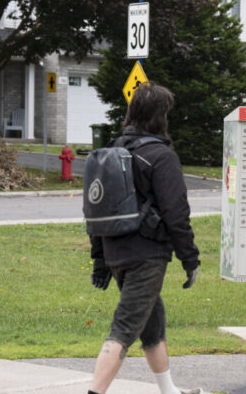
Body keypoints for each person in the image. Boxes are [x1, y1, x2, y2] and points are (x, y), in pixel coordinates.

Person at [88, 82, 204, 394]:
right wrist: (190, 260)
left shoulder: (114, 151)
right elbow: (176, 214)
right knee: (124, 329)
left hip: (116, 253)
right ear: (160, 117)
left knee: (152, 324)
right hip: (146, 256)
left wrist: (100, 260)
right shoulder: (160, 156)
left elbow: (95, 209)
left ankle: (169, 391)